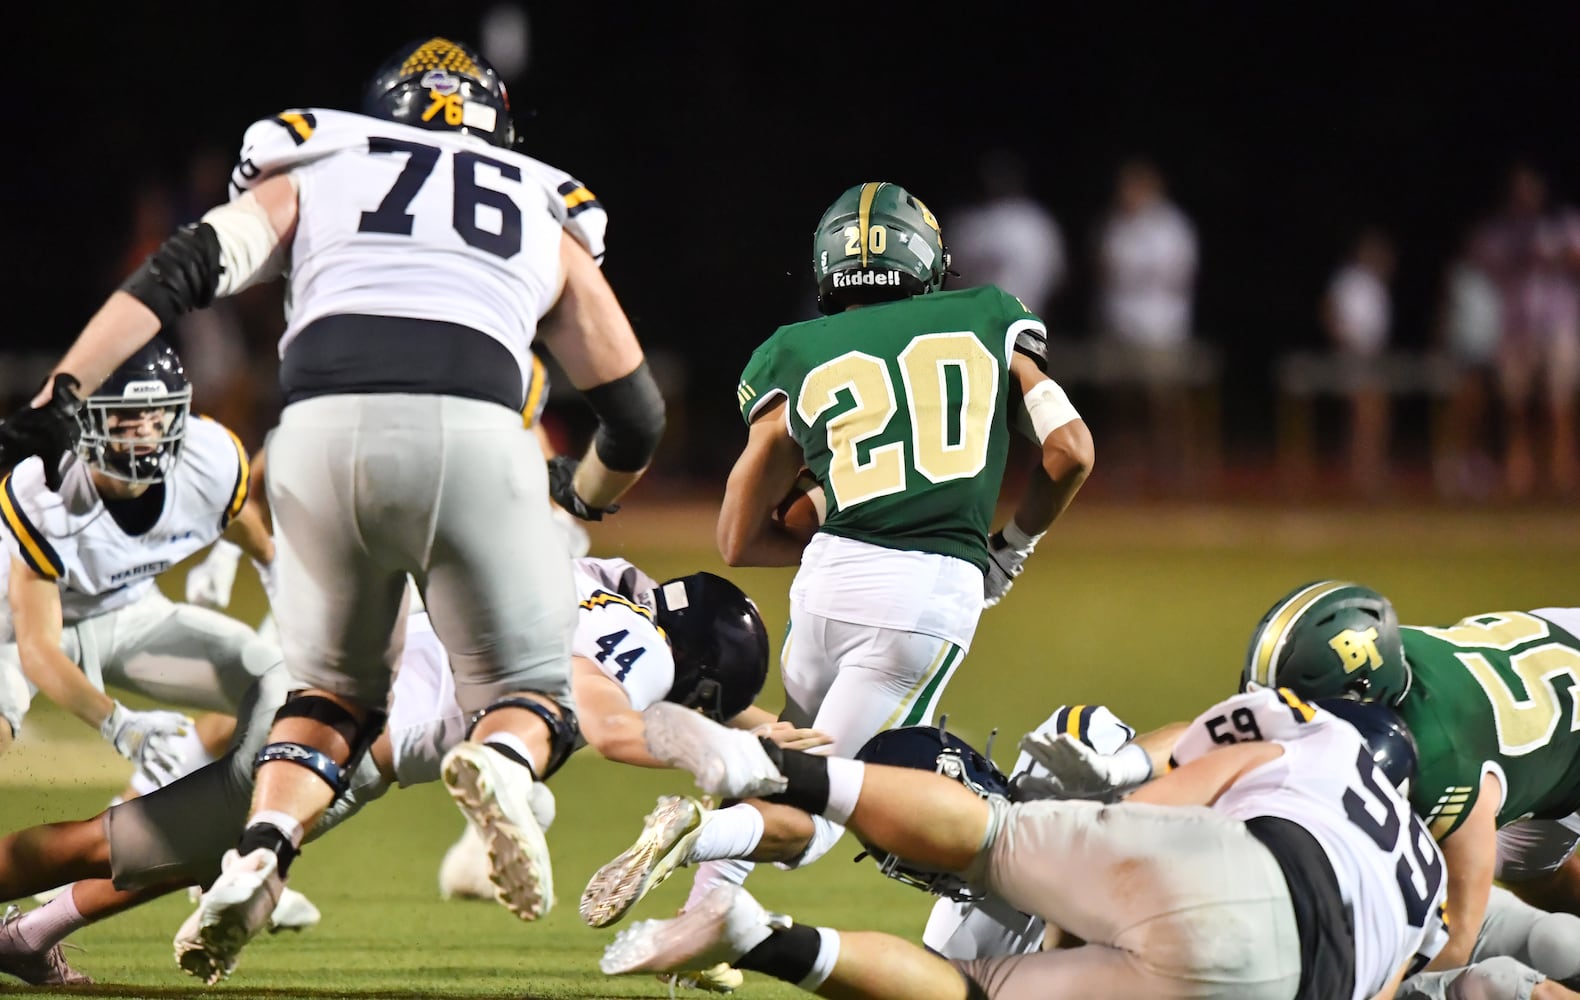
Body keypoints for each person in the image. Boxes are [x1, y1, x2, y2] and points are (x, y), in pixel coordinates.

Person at [0, 36, 664, 975]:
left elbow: (179, 272)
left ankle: (265, 847)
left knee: (329, 695)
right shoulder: (540, 204)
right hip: (481, 442)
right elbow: (636, 416)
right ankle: (507, 762)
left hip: (315, 436)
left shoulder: (323, 157)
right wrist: (580, 495)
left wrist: (58, 395)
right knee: (527, 696)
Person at [0, 554, 808, 986]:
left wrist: (762, 728)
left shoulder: (595, 585)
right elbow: (602, 703)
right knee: (118, 842)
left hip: (340, 678)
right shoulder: (643, 658)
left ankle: (32, 934)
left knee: (182, 849)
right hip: (342, 741)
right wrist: (707, 750)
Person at [687, 180, 1092, 926]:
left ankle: (703, 914)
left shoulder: (795, 349)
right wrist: (1012, 545)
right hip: (922, 594)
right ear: (928, 259)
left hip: (824, 587)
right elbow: (1070, 451)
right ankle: (696, 831)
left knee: (786, 754)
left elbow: (737, 537)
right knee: (822, 813)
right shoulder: (986, 317)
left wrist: (838, 504)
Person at [602, 688, 1448, 999]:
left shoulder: (1319, 743)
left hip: (1256, 867)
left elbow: (1179, 793)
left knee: (995, 836)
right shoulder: (1428, 884)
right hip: (1296, 985)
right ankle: (755, 938)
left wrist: (1084, 870)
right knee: (982, 990)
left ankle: (774, 767)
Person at [1237, 583, 1580, 978]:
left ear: (1361, 694)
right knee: (1534, 873)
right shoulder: (1381, 667)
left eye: (1303, 710)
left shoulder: (1442, 758)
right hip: (1551, 665)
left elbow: (1456, 940)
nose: (1286, 720)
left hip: (1549, 708)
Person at [0, 339, 275, 775]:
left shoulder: (210, 456)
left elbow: (236, 514)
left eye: (155, 414)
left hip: (129, 614)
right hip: (18, 631)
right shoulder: (46, 490)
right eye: (127, 416)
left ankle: (215, 818)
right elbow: (37, 648)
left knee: (272, 685)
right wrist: (118, 725)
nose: (146, 431)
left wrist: (265, 566)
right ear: (84, 419)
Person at [1094, 158, 1202, 491]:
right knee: (1123, 404)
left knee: (1164, 401)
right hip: (1121, 328)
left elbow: (1179, 275)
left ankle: (1172, 466)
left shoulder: (1172, 227)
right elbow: (1104, 271)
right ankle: (1127, 466)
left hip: (1161, 328)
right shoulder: (1116, 227)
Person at [1480, 163, 1580, 497]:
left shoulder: (1564, 224)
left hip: (1557, 323)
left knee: (1558, 399)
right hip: (1516, 326)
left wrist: (1560, 255)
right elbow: (1486, 265)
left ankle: (1560, 466)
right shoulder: (1501, 230)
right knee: (1515, 401)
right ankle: (1518, 466)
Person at [947, 149, 1066, 320]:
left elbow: (1057, 275)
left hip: (1026, 316)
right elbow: (951, 278)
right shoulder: (968, 222)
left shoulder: (1035, 220)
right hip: (977, 319)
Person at [1323, 227, 1397, 494]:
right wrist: (1343, 343)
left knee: (1376, 413)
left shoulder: (1376, 284)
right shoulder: (1347, 280)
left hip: (1374, 354)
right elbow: (1330, 312)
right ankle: (1358, 468)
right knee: (1362, 412)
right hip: (1353, 353)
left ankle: (1371, 464)